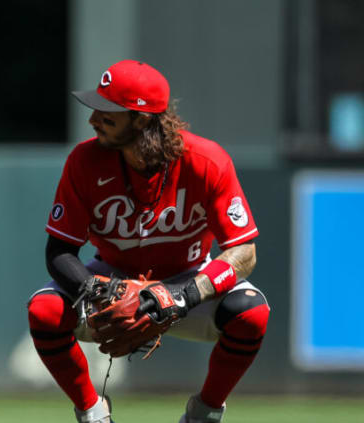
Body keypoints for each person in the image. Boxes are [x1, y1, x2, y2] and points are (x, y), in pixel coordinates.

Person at [27, 60, 269, 423]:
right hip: (111, 276)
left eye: (108, 112)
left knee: (251, 313)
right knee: (43, 311)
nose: (93, 119)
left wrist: (184, 295)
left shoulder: (205, 160)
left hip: (187, 277)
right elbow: (59, 252)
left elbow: (243, 251)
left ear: (141, 119)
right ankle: (93, 412)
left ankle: (204, 412)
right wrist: (98, 290)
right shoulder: (85, 160)